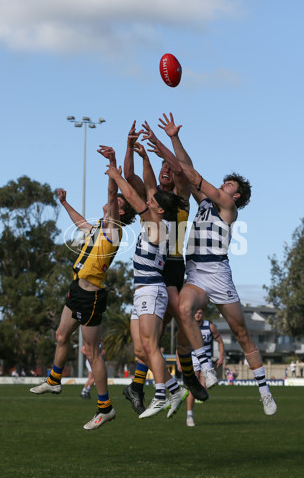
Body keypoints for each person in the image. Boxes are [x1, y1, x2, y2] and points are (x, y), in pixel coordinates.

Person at [30, 146, 136, 431]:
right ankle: (54, 381)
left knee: (91, 353)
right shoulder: (100, 226)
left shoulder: (114, 228)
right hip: (76, 288)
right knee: (61, 334)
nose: (111, 203)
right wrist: (65, 203)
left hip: (91, 296)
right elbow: (81, 224)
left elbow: (112, 195)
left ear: (119, 210)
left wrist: (114, 164)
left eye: (116, 203)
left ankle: (105, 407)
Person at [170, 151, 277, 415]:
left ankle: (264, 391)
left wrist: (163, 148)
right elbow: (189, 169)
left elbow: (193, 175)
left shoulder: (228, 207)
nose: (222, 185)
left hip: (218, 273)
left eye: (229, 185)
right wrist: (173, 138)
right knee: (183, 311)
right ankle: (206, 366)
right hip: (195, 272)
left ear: (236, 195)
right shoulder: (206, 202)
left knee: (242, 334)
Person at [122, 117, 210, 415]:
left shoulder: (181, 197)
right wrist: (142, 153)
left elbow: (185, 169)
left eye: (169, 168)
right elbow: (142, 181)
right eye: (164, 168)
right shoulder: (155, 199)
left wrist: (168, 142)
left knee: (182, 322)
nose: (166, 170)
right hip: (155, 271)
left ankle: (176, 377)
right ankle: (147, 383)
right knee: (151, 338)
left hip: (174, 267)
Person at [106, 149, 189, 419]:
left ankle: (162, 394)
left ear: (159, 209)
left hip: (151, 290)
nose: (148, 201)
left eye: (152, 202)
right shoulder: (156, 219)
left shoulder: (156, 223)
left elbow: (131, 195)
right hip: (141, 290)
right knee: (141, 349)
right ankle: (175, 389)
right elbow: (148, 182)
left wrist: (116, 174)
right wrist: (142, 157)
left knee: (151, 346)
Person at [178, 309, 225, 427]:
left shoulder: (210, 327)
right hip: (193, 358)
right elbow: (180, 345)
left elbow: (220, 342)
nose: (198, 315)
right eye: (196, 313)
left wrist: (221, 357)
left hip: (206, 358)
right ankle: (189, 416)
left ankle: (194, 392)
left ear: (203, 314)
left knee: (203, 387)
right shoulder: (188, 326)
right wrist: (179, 362)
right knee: (193, 387)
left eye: (200, 313)